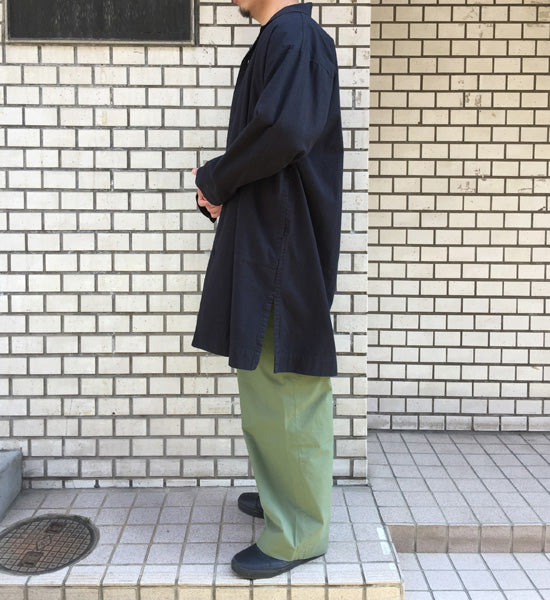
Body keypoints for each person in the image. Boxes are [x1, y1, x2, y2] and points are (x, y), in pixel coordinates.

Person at [192, 0, 343, 580]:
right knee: (265, 383)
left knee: (287, 384)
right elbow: (273, 137)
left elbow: (284, 131)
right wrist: (224, 187)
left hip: (284, 245)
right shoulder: (281, 38)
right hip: (269, 238)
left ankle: (299, 532)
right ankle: (282, 489)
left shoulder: (297, 37)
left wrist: (217, 178)